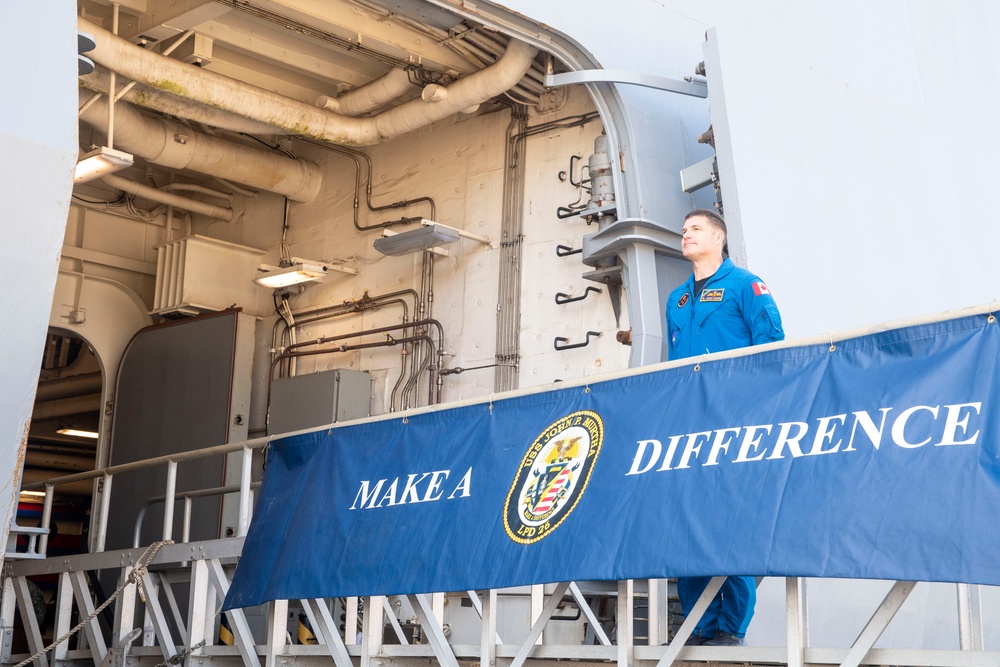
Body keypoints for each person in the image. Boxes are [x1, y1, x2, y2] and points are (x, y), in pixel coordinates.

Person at [665, 209, 784, 646]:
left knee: (733, 521)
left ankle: (729, 628)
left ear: (719, 237)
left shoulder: (745, 286)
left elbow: (771, 347)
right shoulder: (676, 299)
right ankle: (699, 625)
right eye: (683, 231)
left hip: (734, 423)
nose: (686, 235)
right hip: (688, 429)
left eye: (695, 229)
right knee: (689, 523)